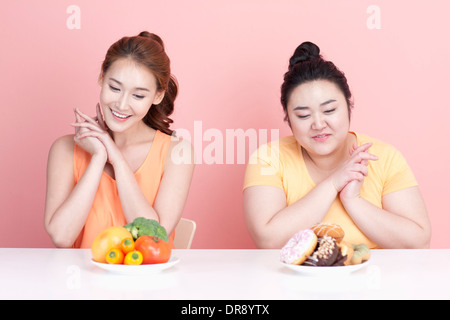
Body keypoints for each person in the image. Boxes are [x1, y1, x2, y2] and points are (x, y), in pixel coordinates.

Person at [243, 41, 431, 249]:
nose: (318, 124)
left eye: (330, 110)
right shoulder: (268, 159)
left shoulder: (383, 157)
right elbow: (268, 240)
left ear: (349, 105)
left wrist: (353, 200)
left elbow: (418, 243)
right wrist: (333, 183)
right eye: (303, 115)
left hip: (374, 280)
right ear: (287, 118)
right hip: (293, 281)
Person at [44, 32, 194, 248]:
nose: (122, 105)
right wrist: (98, 157)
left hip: (146, 281)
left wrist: (115, 157)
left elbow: (153, 238)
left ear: (158, 96)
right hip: (79, 280)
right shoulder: (65, 149)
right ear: (101, 78)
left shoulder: (178, 153)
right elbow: (61, 236)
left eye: (138, 95)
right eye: (114, 88)